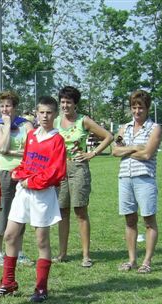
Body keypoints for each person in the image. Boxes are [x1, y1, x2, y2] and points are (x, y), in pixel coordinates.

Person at [0, 96, 66, 303]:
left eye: (49, 112)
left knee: (41, 240)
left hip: (42, 194)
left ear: (55, 115)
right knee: (10, 235)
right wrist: (19, 172)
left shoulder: (56, 139)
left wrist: (30, 182)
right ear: (36, 113)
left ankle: (41, 288)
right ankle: (8, 282)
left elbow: (56, 172)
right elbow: (27, 162)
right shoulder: (31, 135)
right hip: (24, 191)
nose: (45, 116)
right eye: (41, 112)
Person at [53, 86, 113, 267]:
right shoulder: (55, 121)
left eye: (68, 102)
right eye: (62, 102)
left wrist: (92, 153)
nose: (65, 105)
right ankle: (62, 253)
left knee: (80, 211)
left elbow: (108, 137)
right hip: (60, 169)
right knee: (62, 211)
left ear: (75, 103)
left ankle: (86, 255)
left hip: (79, 168)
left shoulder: (83, 121)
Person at [112, 89, 162, 274]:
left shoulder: (154, 129)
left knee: (149, 220)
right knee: (130, 220)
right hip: (125, 178)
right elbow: (115, 151)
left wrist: (127, 150)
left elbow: (148, 153)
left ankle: (147, 261)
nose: (137, 111)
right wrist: (134, 147)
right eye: (133, 107)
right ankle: (132, 260)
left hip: (145, 179)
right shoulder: (124, 128)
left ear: (147, 108)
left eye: (140, 107)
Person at [0, 90, 35, 268]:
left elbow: (32, 149)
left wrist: (12, 152)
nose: (5, 109)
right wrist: (7, 125)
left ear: (15, 107)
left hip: (23, 172)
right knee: (2, 211)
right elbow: (2, 147)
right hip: (4, 172)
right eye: (2, 106)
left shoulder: (26, 125)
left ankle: (19, 251)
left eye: (8, 105)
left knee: (21, 212)